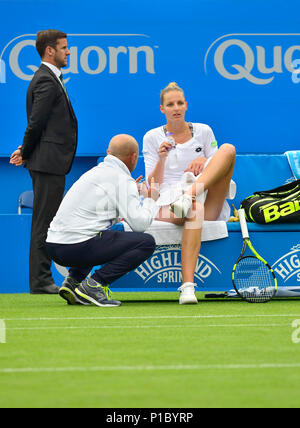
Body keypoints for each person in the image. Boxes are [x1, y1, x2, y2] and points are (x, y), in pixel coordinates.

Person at [143, 82, 236, 305]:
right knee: (193, 209)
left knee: (229, 149)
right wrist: (162, 158)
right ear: (162, 109)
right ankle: (187, 287)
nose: (176, 107)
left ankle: (189, 195)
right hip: (170, 202)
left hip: (202, 194)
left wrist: (204, 159)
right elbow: (153, 188)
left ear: (186, 106)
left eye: (180, 103)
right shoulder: (151, 137)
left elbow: (218, 165)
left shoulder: (204, 131)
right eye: (170, 104)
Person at [45, 134, 159, 307]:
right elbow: (140, 225)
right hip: (75, 247)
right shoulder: (122, 180)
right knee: (146, 242)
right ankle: (94, 284)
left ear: (108, 153)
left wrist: (131, 192)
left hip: (53, 246)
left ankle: (73, 281)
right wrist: (150, 199)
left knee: (100, 233)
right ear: (134, 157)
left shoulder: (94, 173)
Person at [9, 29, 78, 294]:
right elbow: (36, 123)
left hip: (48, 160)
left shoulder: (49, 78)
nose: (68, 52)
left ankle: (42, 279)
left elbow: (43, 125)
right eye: (64, 48)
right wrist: (27, 151)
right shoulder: (46, 80)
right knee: (44, 222)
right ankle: (40, 281)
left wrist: (25, 149)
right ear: (50, 51)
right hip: (48, 162)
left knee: (46, 220)